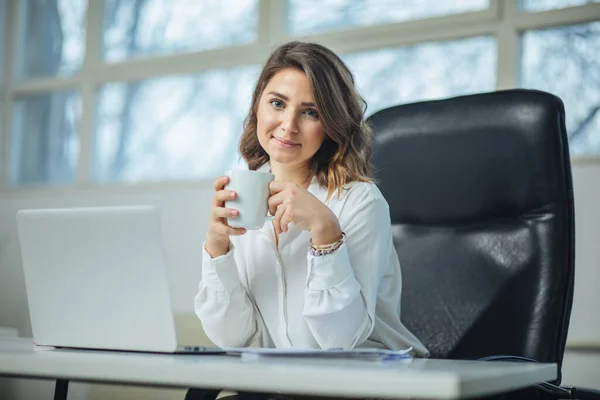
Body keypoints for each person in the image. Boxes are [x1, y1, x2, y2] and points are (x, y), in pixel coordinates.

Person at [194, 41, 428, 357]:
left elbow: (340, 340)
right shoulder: (243, 198)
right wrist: (216, 249)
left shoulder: (360, 201)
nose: (288, 126)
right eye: (277, 103)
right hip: (287, 383)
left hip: (371, 381)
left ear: (331, 125)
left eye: (310, 112)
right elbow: (231, 337)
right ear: (256, 107)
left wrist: (325, 232)